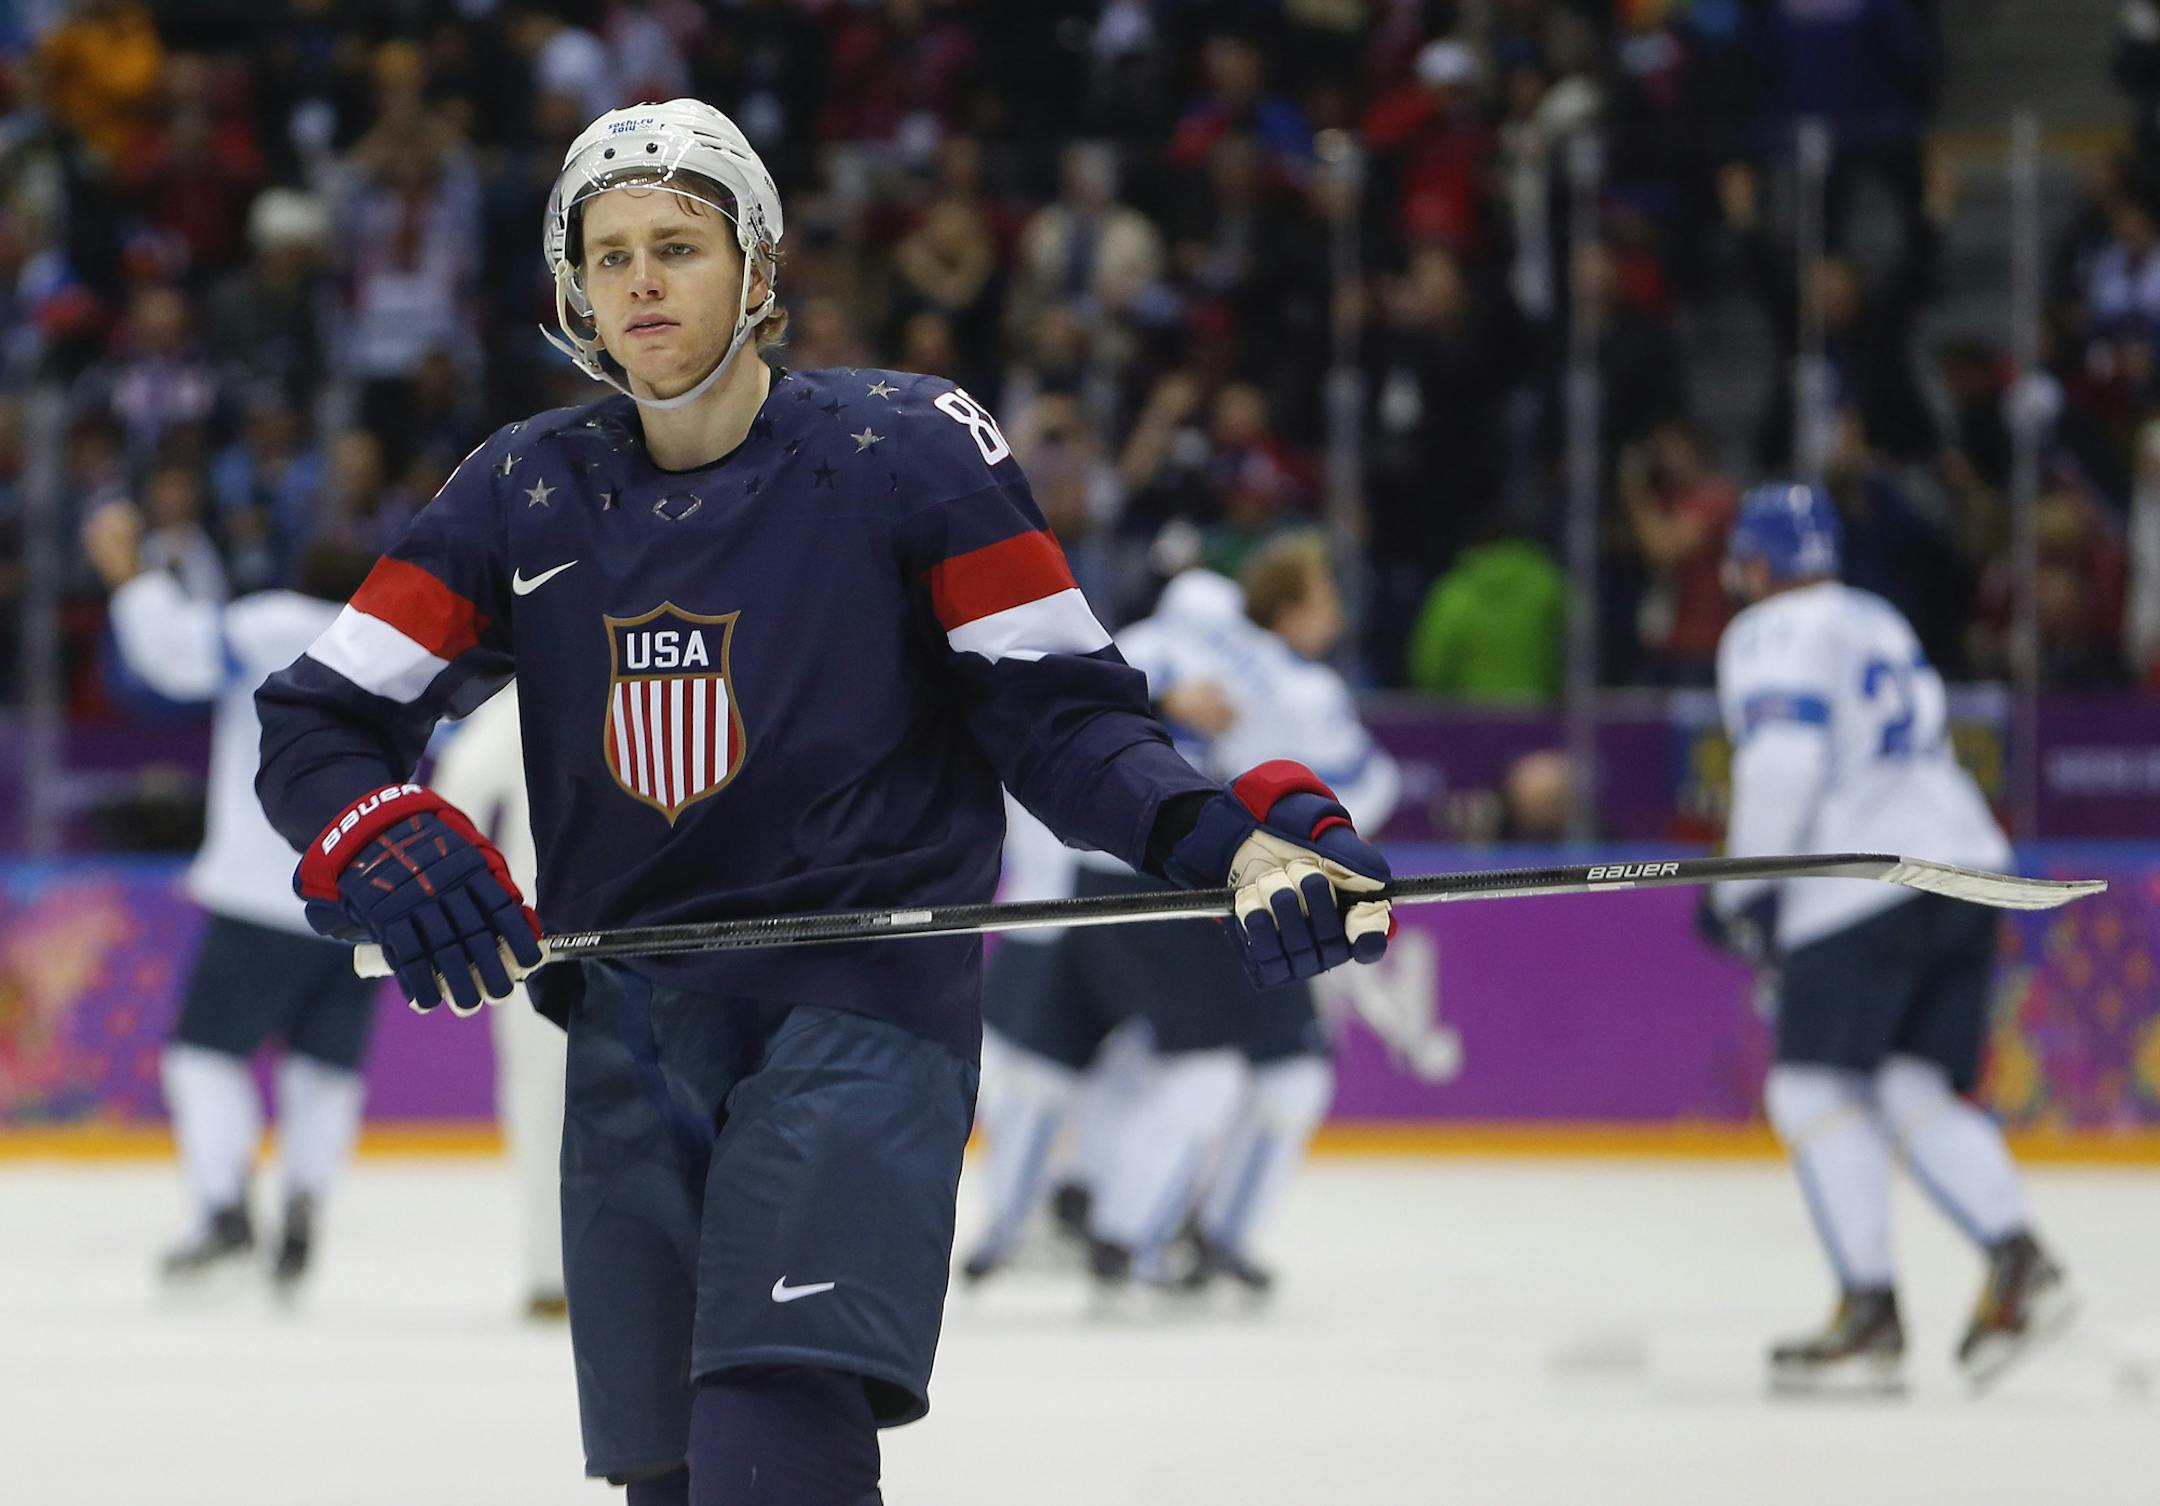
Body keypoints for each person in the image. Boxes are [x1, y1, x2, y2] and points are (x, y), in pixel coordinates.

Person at [253, 100, 1392, 1505]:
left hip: (859, 1007)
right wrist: (380, 827)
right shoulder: (519, 489)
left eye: (678, 243)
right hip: (628, 1028)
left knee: (768, 1442)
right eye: (608, 256)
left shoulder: (911, 449)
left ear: (759, 269)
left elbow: (1063, 714)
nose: (641, 281)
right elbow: (317, 719)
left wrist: (1222, 839)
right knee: (672, 1482)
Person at [1700, 483, 2073, 1394]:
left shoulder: (1768, 632)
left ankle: (1870, 1315)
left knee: (1809, 1087)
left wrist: (1749, 889)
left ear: (1756, 565)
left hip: (1865, 883)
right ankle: (2018, 1262)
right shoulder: (1875, 615)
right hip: (1966, 864)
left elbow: (1783, 765)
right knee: (1909, 1080)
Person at [968, 539, 1400, 1296]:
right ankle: (1142, 1231)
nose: (1335, 614)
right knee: (1249, 1076)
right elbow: (1365, 791)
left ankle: (1071, 1213)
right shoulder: (1298, 690)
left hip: (1085, 878)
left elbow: (1072, 737)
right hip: (1207, 883)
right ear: (1290, 609)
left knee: (1081, 1063)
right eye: (1325, 597)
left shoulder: (1143, 637)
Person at [81, 500, 378, 1293]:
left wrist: (128, 573)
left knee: (205, 1056)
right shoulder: (395, 648)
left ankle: (223, 1208)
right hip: (366, 898)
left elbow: (172, 654)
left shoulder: (270, 624)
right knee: (325, 1070)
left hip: (261, 888)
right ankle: (307, 1202)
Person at [425, 684, 567, 1320]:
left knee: (544, 1104)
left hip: (542, 937)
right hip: (660, 928)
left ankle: (552, 1274)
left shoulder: (523, 699)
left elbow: (457, 796)